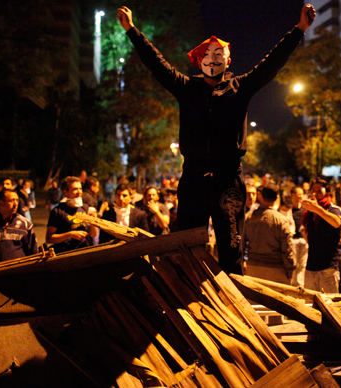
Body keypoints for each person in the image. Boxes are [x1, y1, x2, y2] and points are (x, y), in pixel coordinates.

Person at [117, 4, 316, 275]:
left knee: (231, 250)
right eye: (207, 55)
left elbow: (272, 63)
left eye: (219, 54)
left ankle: (233, 306)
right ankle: (187, 302)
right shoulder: (186, 88)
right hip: (193, 179)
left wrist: (300, 29)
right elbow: (157, 63)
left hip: (228, 181)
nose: (213, 59)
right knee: (185, 246)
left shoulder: (241, 87)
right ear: (199, 61)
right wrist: (131, 30)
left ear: (228, 61)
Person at [242, 184, 295, 284]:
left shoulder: (248, 218)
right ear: (277, 198)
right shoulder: (281, 220)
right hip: (276, 270)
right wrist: (290, 270)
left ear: (260, 196)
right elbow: (287, 250)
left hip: (252, 268)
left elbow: (242, 244)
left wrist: (243, 262)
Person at [301, 178, 341, 293]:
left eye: (319, 191)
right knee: (309, 305)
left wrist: (317, 209)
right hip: (311, 266)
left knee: (328, 305)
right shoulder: (309, 213)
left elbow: (336, 222)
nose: (314, 194)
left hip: (328, 268)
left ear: (327, 193)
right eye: (313, 190)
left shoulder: (333, 210)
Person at [46, 177, 98, 254]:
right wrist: (69, 235)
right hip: (66, 254)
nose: (79, 192)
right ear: (66, 192)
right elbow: (49, 238)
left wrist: (94, 221)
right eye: (75, 189)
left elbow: (93, 235)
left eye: (80, 188)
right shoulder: (58, 211)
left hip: (85, 252)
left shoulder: (85, 208)